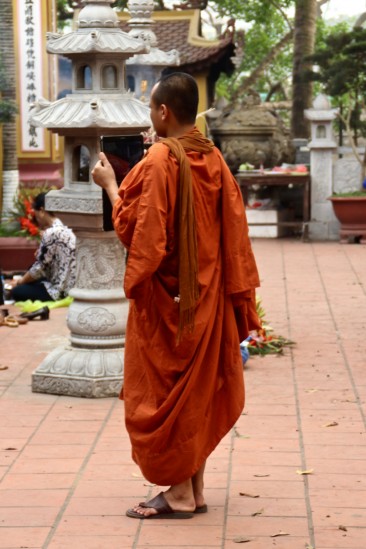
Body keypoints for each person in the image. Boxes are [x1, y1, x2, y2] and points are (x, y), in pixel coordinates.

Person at [92, 72, 261, 519]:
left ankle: (180, 494)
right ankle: (194, 488)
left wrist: (110, 185)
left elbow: (138, 234)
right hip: (207, 296)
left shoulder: (159, 162)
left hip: (170, 302)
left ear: (163, 112)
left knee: (166, 390)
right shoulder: (212, 156)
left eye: (152, 109)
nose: (151, 117)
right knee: (196, 392)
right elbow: (232, 229)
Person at [11, 192, 76, 303]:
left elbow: (39, 268)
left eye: (35, 214)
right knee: (30, 273)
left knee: (17, 291)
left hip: (60, 290)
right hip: (71, 284)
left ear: (41, 211)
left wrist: (20, 282)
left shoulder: (51, 232)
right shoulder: (65, 225)